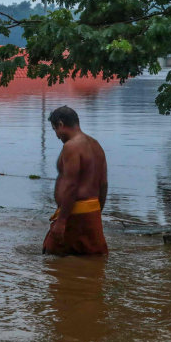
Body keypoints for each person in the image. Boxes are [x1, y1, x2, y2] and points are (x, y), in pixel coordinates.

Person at [43, 106, 108, 256]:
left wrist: (62, 221)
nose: (57, 136)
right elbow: (103, 184)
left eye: (55, 130)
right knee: (93, 261)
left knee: (51, 259)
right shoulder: (96, 145)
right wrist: (97, 212)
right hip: (93, 212)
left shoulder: (71, 147)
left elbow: (71, 186)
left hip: (73, 215)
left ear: (60, 124)